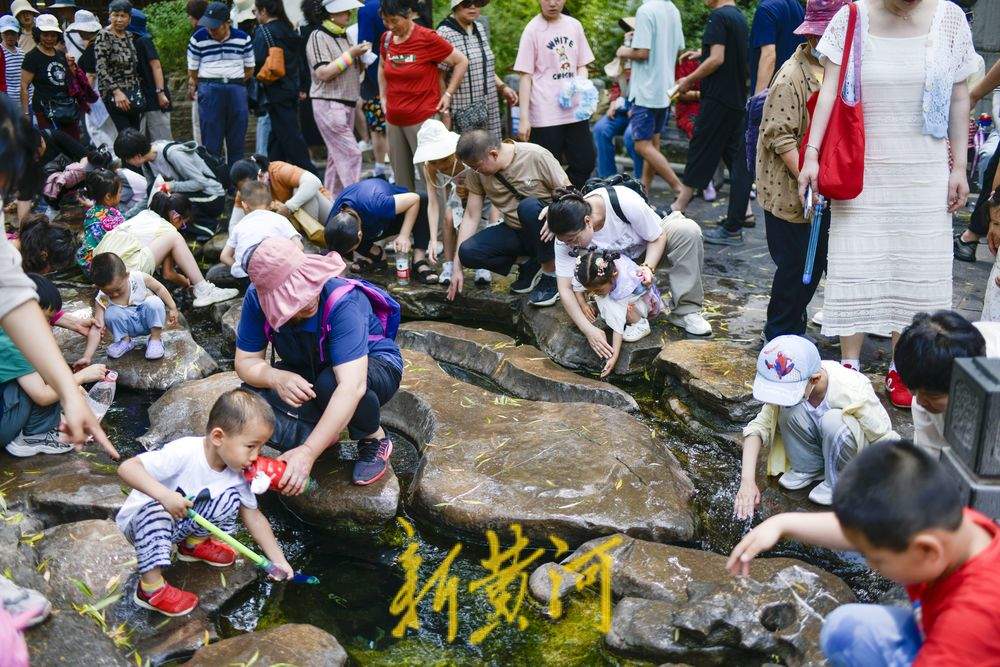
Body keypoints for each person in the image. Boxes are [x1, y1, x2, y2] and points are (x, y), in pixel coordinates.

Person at [798, 0, 979, 409]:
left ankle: (903, 364)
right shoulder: (851, 17)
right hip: (862, 169)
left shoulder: (949, 19)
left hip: (924, 170)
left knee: (917, 265)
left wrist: (960, 166)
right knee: (857, 261)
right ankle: (849, 367)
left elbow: (959, 95)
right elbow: (828, 90)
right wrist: (811, 154)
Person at [728, 440, 1000, 665]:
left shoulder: (968, 620)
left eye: (877, 559)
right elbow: (864, 530)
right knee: (843, 628)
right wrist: (781, 523)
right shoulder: (954, 525)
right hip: (937, 629)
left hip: (959, 649)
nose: (870, 563)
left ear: (927, 550)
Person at [235, 237, 404, 487]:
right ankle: (328, 432)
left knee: (331, 384)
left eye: (309, 286)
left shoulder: (344, 301)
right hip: (309, 365)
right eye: (295, 297)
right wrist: (276, 377)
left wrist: (308, 453)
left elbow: (351, 386)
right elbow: (246, 362)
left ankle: (374, 437)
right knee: (250, 393)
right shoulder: (257, 298)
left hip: (374, 366)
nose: (309, 299)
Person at [116, 389, 293, 617]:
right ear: (218, 437)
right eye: (250, 446)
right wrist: (164, 495)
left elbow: (254, 517)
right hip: (145, 523)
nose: (255, 457)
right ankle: (150, 589)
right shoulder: (184, 452)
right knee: (158, 513)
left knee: (229, 497)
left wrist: (279, 560)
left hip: (183, 521)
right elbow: (126, 468)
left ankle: (193, 544)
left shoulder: (238, 471)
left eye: (260, 448)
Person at [734, 335, 898, 515]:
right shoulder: (795, 380)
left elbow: (883, 436)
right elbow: (757, 428)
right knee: (788, 409)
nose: (781, 397)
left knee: (833, 420)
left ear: (814, 379)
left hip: (852, 455)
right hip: (820, 444)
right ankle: (809, 467)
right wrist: (747, 481)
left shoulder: (852, 389)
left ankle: (839, 481)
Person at [757, 0, 841, 342]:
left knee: (814, 263)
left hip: (819, 194)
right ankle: (777, 333)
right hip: (789, 192)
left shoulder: (831, 69)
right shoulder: (792, 75)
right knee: (793, 267)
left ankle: (793, 324)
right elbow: (780, 136)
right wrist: (810, 179)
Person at [546, 185, 711, 341]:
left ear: (588, 221)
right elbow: (565, 287)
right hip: (615, 270)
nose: (571, 245)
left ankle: (686, 312)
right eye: (566, 241)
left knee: (687, 231)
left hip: (650, 248)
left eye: (574, 239)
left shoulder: (623, 201)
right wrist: (589, 331)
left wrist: (648, 267)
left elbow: (657, 237)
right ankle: (634, 313)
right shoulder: (565, 237)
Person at [449, 129, 570, 306]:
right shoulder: (476, 173)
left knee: (527, 207)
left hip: (549, 229)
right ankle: (531, 263)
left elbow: (569, 196)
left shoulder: (535, 155)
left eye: (477, 166)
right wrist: (457, 267)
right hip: (516, 230)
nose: (475, 171)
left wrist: (554, 214)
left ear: (493, 154)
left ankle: (551, 274)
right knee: (467, 252)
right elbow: (471, 215)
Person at [671, 0, 753, 245]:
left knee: (701, 148)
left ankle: (678, 206)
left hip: (717, 99)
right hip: (736, 99)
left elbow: (717, 59)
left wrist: (687, 79)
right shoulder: (737, 17)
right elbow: (732, 55)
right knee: (734, 158)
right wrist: (701, 54)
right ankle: (744, 213)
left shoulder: (717, 17)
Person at [1, 275, 108, 458]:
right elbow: (42, 396)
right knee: (48, 372)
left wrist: (72, 322)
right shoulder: (15, 343)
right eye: (46, 320)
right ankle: (33, 435)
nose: (49, 328)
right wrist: (79, 378)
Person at [378, 0, 468, 191]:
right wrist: (383, 96)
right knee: (401, 183)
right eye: (386, 21)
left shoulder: (427, 38)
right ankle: (409, 219)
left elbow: (461, 61)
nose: (390, 26)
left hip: (422, 119)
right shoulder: (386, 39)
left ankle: (439, 221)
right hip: (394, 119)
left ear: (409, 14)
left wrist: (448, 94)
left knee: (433, 181)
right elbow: (382, 66)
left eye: (394, 20)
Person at [894, 311, 1000, 459]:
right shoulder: (926, 384)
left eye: (933, 395)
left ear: (966, 385)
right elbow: (929, 458)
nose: (919, 400)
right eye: (913, 390)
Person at [513, 0, 596, 190]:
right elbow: (525, 75)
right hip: (545, 112)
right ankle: (551, 209)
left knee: (585, 161)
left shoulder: (574, 25)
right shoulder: (532, 29)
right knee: (547, 167)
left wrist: (580, 83)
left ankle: (570, 200)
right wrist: (524, 118)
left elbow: (582, 64)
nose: (552, 3)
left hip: (575, 109)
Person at [613, 0, 684, 194]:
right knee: (653, 144)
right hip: (665, 89)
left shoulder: (645, 10)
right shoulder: (673, 10)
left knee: (642, 145)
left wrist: (623, 51)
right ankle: (644, 191)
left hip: (646, 91)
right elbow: (678, 49)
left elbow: (643, 52)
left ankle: (679, 188)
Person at [412, 118, 493, 286]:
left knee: (481, 225)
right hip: (459, 191)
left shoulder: (464, 155)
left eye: (443, 159)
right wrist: (433, 239)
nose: (439, 165)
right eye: (434, 161)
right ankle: (449, 265)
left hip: (483, 190)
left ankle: (482, 264)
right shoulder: (430, 167)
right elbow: (433, 203)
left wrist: (470, 189)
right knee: (448, 219)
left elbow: (485, 177)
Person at [304, 0, 369, 198]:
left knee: (336, 158)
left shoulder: (344, 34)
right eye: (344, 11)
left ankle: (331, 202)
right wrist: (351, 54)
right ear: (331, 13)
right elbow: (323, 73)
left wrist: (362, 58)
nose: (348, 14)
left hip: (346, 102)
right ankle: (355, 201)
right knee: (351, 154)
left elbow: (350, 68)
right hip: (330, 103)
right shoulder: (318, 36)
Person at [114, 129, 227, 240]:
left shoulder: (172, 154)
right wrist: (127, 217)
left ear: (137, 156)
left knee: (171, 203)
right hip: (191, 195)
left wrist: (171, 186)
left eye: (126, 159)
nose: (127, 163)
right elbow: (150, 195)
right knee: (159, 202)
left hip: (212, 196)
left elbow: (200, 183)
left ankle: (211, 227)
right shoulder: (146, 163)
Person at [571, 248, 664, 376]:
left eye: (598, 290)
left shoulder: (624, 285)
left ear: (614, 275)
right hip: (621, 294)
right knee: (603, 298)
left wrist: (613, 357)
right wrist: (583, 304)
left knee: (610, 304)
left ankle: (640, 324)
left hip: (643, 303)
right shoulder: (590, 271)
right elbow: (577, 286)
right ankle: (605, 300)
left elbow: (618, 326)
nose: (593, 292)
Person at [328, 175, 436, 281]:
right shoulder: (334, 220)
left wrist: (404, 235)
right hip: (369, 219)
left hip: (396, 213)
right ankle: (377, 256)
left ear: (360, 234)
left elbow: (414, 198)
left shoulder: (377, 205)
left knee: (423, 199)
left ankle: (418, 260)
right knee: (344, 240)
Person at [437, 0, 516, 141]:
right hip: (462, 109)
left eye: (478, 2)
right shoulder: (444, 33)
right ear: (455, 6)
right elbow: (439, 76)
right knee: (468, 154)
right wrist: (445, 110)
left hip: (488, 104)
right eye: (467, 3)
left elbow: (485, 65)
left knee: (491, 152)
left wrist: (502, 87)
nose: (473, 7)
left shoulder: (479, 27)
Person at [188, 2, 254, 169]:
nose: (211, 30)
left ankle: (235, 184)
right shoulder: (198, 38)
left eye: (215, 26)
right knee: (211, 141)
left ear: (227, 23)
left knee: (237, 140)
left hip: (236, 88)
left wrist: (233, 81)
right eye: (208, 26)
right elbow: (193, 72)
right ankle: (216, 183)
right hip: (210, 88)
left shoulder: (243, 38)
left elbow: (250, 69)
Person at [252, 0, 315, 173]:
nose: (255, 15)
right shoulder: (290, 29)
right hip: (291, 88)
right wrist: (302, 85)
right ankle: (274, 173)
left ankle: (310, 174)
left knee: (289, 135)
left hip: (274, 89)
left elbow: (256, 60)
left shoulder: (263, 31)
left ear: (264, 10)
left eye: (255, 11)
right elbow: (301, 61)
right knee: (278, 136)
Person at [81, 252, 177, 362]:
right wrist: (87, 356)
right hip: (128, 327)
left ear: (126, 275)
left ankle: (155, 339)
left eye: (118, 289)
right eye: (108, 292)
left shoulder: (138, 278)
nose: (114, 295)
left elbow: (159, 288)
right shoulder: (102, 298)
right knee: (111, 313)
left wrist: (172, 307)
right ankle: (125, 341)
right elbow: (97, 326)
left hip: (147, 320)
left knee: (154, 302)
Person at [229, 154, 333, 235]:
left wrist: (289, 207)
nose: (249, 190)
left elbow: (313, 182)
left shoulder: (277, 170)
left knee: (300, 191)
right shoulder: (245, 192)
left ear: (260, 175)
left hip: (326, 217)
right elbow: (234, 225)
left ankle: (311, 244)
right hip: (291, 229)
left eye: (251, 186)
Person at [221, 180, 303, 278]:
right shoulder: (280, 219)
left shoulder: (239, 226)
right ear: (272, 204)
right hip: (277, 273)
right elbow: (300, 247)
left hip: (248, 277)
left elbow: (224, 256)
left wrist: (240, 266)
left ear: (244, 205)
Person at [21, 14, 80, 140]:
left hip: (66, 107)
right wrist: (26, 113)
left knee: (73, 142)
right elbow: (24, 86)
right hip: (45, 109)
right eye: (45, 35)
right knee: (53, 144)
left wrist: (71, 68)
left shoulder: (60, 54)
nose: (49, 38)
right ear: (38, 35)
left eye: (53, 35)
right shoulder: (32, 57)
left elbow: (69, 80)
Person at [94, 0, 144, 132]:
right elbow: (101, 68)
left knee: (136, 131)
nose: (119, 19)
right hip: (114, 93)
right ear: (109, 16)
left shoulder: (128, 35)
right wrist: (116, 92)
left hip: (132, 91)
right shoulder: (104, 35)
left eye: (123, 16)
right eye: (116, 15)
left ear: (129, 19)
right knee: (126, 133)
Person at [357, 0, 391, 180]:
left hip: (376, 76)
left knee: (378, 127)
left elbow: (364, 47)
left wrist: (362, 70)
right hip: (399, 72)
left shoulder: (367, 9)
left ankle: (381, 168)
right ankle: (398, 167)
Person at [128, 8, 172, 142]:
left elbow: (156, 66)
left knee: (161, 140)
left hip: (153, 96)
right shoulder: (128, 42)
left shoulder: (143, 41)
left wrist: (160, 92)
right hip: (140, 98)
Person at [749, 0, 805, 95]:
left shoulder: (766, 9)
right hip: (795, 91)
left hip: (771, 96)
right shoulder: (798, 8)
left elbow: (769, 57)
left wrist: (757, 100)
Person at [186, 0, 210, 145]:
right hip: (220, 87)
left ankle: (203, 159)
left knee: (199, 126)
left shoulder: (197, 34)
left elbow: (194, 65)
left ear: (193, 16)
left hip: (202, 87)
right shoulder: (220, 30)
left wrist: (192, 84)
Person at [1, 16, 25, 106]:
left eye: (13, 33)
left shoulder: (22, 53)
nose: (10, 36)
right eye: (6, 33)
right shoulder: (1, 52)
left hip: (27, 101)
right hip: (8, 103)